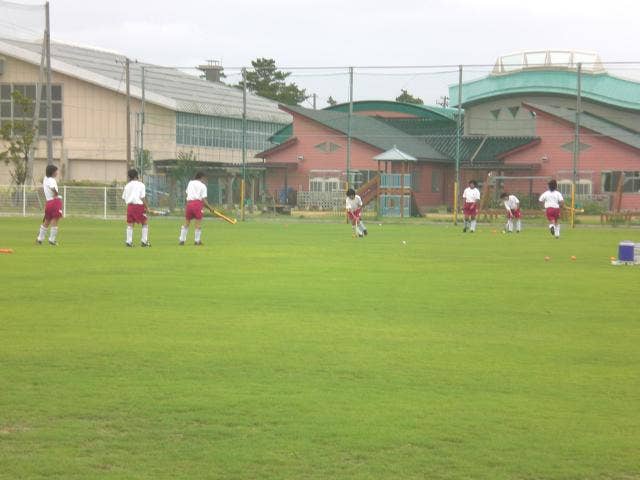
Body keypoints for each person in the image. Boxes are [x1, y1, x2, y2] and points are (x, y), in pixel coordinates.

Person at [179, 172, 214, 246]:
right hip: (197, 204)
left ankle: (182, 240)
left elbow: (187, 193)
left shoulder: (190, 183)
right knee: (198, 223)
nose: (205, 180)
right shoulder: (203, 186)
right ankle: (197, 241)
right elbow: (203, 200)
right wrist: (210, 208)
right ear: (202, 177)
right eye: (204, 178)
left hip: (189, 203)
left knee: (186, 223)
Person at [122, 169, 150, 247]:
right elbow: (143, 197)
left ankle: (128, 242)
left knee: (130, 224)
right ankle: (144, 242)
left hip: (130, 207)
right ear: (136, 175)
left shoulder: (127, 185)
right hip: (139, 206)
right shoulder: (141, 185)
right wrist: (147, 207)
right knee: (144, 223)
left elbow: (124, 198)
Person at [36, 165, 63, 245]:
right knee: (55, 220)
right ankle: (52, 240)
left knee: (47, 220)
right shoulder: (51, 180)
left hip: (48, 202)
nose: (57, 173)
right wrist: (56, 194)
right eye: (56, 171)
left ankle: (39, 239)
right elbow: (52, 188)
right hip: (54, 201)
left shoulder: (45, 178)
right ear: (52, 172)